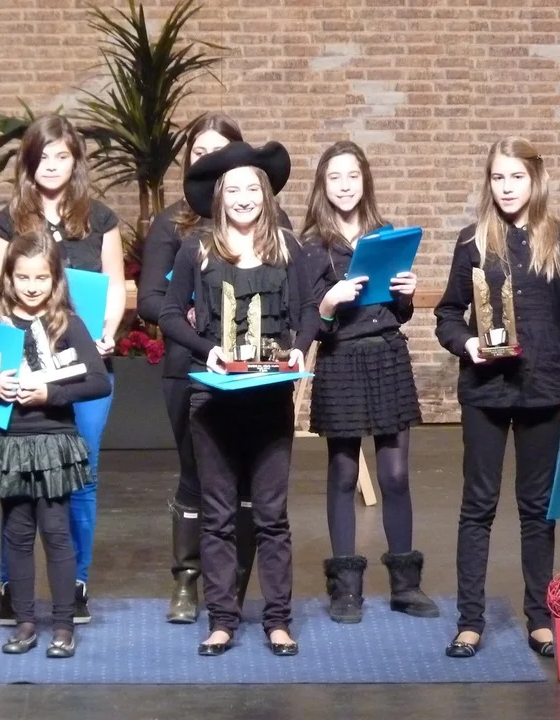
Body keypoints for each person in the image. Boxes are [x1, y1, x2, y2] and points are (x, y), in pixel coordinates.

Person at [433, 137, 560, 658]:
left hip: (543, 391)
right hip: (484, 392)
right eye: (498, 177)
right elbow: (447, 314)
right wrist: (467, 344)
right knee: (477, 506)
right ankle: (470, 621)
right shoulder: (472, 241)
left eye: (516, 177)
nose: (506, 187)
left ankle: (540, 619)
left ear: (535, 180)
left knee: (537, 510)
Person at [159, 141, 317, 656]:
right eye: (234, 189)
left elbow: (310, 309)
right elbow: (167, 313)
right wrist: (206, 350)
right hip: (213, 403)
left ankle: (278, 621)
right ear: (219, 196)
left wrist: (300, 347)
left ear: (266, 194)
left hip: (269, 402)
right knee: (219, 516)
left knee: (272, 516)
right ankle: (222, 620)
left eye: (252, 188)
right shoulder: (197, 249)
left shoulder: (287, 248)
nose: (244, 197)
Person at [137, 112, 294, 623]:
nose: (212, 160)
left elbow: (292, 300)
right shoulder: (175, 226)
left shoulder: (275, 227)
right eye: (201, 153)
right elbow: (151, 300)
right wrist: (196, 315)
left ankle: (235, 587)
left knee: (251, 488)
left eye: (221, 151)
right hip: (192, 366)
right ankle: (187, 581)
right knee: (197, 475)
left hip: (257, 376)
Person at [0, 114, 125, 625]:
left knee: (81, 477)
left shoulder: (100, 218)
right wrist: (21, 284)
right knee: (15, 480)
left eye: (62, 156)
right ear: (28, 163)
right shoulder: (11, 218)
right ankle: (10, 589)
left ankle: (75, 585)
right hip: (22, 365)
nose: (53, 165)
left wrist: (107, 330)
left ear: (75, 161)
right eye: (43, 156)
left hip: (82, 364)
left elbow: (116, 286)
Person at [0, 231, 112, 657]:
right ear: (9, 277)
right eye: (23, 277)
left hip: (53, 440)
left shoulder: (67, 322)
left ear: (55, 278)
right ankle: (24, 622)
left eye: (41, 277)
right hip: (10, 441)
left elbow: (98, 380)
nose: (31, 286)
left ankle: (63, 625)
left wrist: (50, 394)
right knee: (17, 533)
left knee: (56, 533)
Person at [300, 140, 439, 623]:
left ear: (365, 182)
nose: (344, 186)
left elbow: (399, 312)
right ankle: (346, 589)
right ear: (323, 185)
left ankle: (406, 585)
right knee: (342, 474)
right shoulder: (312, 246)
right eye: (335, 177)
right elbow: (312, 323)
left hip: (386, 356)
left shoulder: (384, 235)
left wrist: (407, 294)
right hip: (340, 359)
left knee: (395, 475)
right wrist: (328, 303)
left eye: (352, 176)